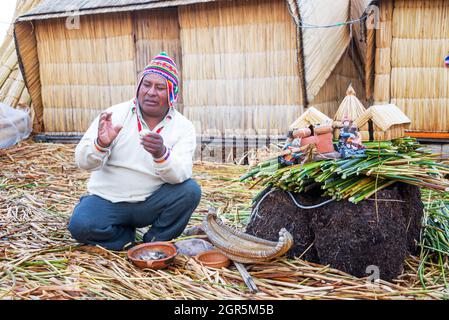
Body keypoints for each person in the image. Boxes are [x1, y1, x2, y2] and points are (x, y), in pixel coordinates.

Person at [68, 52, 201, 251]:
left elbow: (180, 175)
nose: (151, 92)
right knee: (80, 226)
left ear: (172, 94)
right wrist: (100, 144)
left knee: (190, 191)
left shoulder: (183, 127)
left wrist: (161, 154)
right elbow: (83, 162)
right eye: (146, 85)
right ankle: (125, 239)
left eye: (160, 87)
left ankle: (154, 242)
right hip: (108, 200)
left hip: (150, 202)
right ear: (139, 87)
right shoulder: (114, 115)